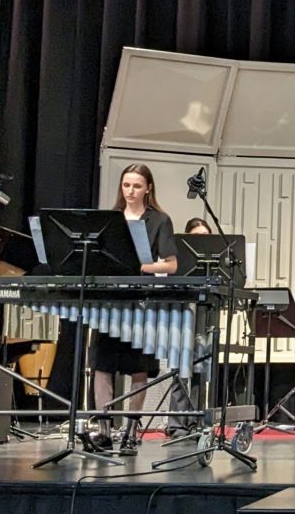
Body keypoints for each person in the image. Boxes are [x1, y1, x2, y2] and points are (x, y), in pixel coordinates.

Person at [92, 163, 178, 452]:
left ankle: (130, 429)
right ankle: (103, 429)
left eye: (137, 186)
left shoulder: (159, 220)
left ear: (148, 188)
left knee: (137, 369)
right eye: (126, 185)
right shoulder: (110, 218)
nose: (130, 191)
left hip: (141, 300)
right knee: (102, 366)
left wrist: (144, 266)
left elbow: (172, 263)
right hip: (110, 300)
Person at [165, 217, 214, 438]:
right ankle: (176, 425)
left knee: (199, 368)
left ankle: (195, 422)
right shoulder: (178, 257)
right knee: (180, 369)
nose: (201, 242)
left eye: (205, 237)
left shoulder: (213, 258)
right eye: (196, 237)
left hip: (206, 310)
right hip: (183, 311)